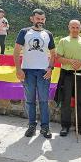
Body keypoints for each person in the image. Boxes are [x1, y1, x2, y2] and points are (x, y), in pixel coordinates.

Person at [14, 9, 55, 139]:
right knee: (30, 101)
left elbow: (54, 54)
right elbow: (16, 52)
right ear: (32, 18)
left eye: (42, 19)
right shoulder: (24, 32)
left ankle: (45, 127)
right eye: (38, 19)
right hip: (27, 71)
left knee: (43, 101)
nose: (40, 21)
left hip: (43, 72)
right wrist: (18, 69)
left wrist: (50, 68)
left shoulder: (48, 34)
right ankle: (31, 126)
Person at [55, 20, 81, 137]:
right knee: (65, 101)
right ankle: (65, 126)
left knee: (80, 101)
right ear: (69, 28)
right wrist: (70, 61)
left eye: (77, 27)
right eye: (73, 27)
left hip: (80, 73)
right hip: (66, 74)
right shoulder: (63, 41)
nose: (75, 29)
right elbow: (58, 57)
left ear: (80, 28)